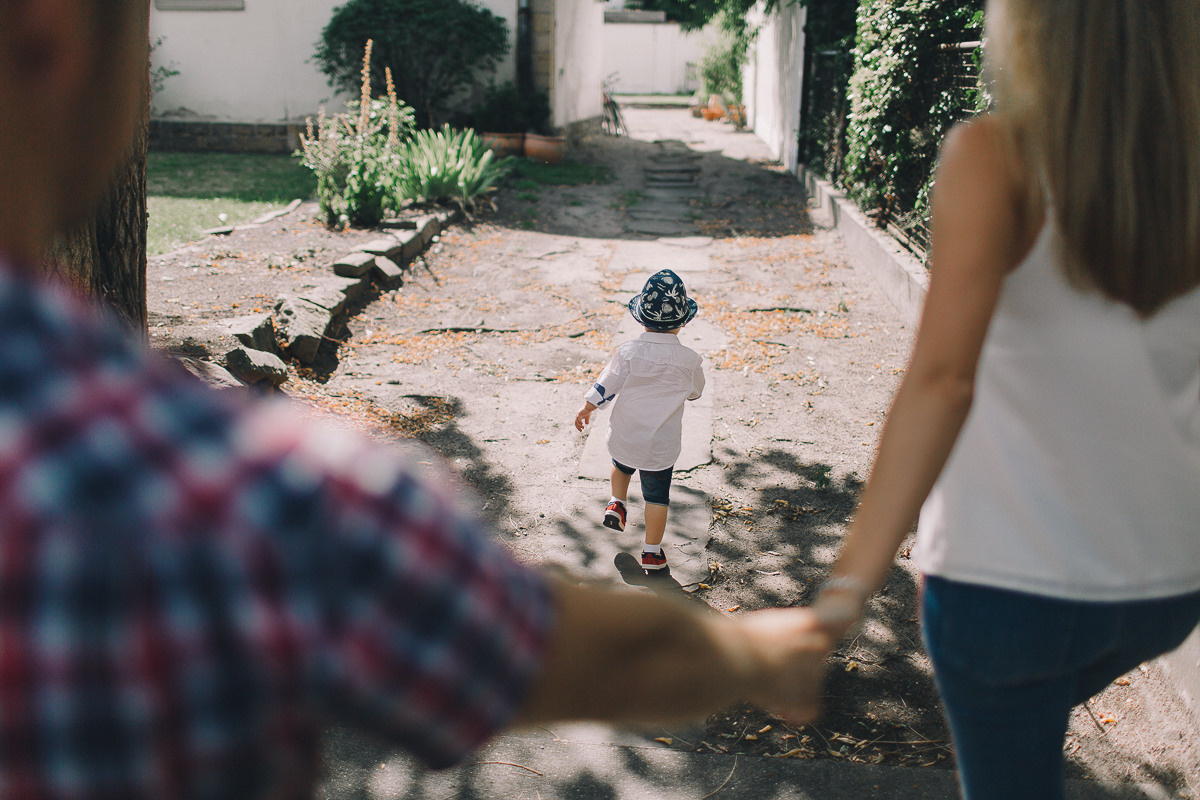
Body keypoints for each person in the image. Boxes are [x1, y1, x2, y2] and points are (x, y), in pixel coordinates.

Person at [0, 4, 831, 798]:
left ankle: (629, 524)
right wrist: (752, 653)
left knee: (622, 476)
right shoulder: (236, 498)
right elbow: (577, 653)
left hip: (625, 438)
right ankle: (648, 545)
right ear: (51, 26)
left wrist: (592, 404)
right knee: (646, 490)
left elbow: (607, 386)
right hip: (659, 454)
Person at [810, 1, 1200, 798]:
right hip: (1166, 586)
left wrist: (842, 595)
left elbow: (941, 379)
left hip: (1007, 593)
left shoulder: (997, 156)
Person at [574, 269, 705, 571]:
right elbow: (695, 392)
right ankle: (652, 551)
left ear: (642, 318)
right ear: (683, 322)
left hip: (625, 434)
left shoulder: (628, 352)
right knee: (657, 497)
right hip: (660, 445)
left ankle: (617, 503)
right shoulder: (690, 360)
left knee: (621, 464)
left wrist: (587, 408)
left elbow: (607, 384)